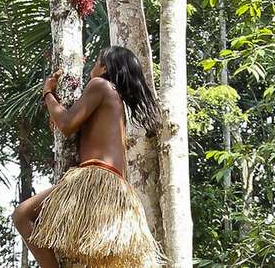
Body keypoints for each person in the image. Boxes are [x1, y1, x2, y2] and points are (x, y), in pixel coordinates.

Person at [11, 45, 166, 268]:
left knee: (22, 215)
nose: (92, 67)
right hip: (117, 189)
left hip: (96, 178)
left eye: (95, 62)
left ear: (104, 67)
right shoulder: (116, 99)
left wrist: (48, 93)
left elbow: (65, 124)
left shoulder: (100, 85)